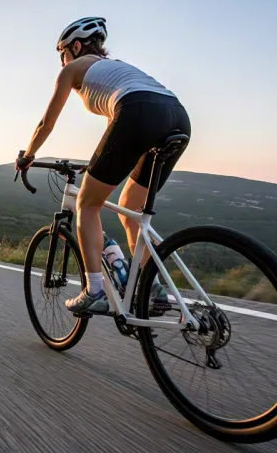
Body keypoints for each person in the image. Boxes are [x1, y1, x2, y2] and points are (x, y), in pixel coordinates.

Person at [15, 17, 191, 316]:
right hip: (177, 115)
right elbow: (120, 131)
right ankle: (152, 288)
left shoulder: (73, 69)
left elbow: (47, 123)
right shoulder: (118, 69)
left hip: (137, 112)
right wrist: (97, 164)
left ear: (76, 46)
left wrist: (28, 155)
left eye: (62, 53)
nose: (62, 61)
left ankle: (94, 291)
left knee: (86, 204)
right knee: (131, 206)